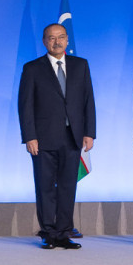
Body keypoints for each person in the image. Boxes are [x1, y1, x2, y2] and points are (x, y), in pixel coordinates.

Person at [18, 23, 94, 250]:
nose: (57, 42)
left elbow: (88, 100)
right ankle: (48, 233)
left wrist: (89, 132)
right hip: (43, 139)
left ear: (67, 40)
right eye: (52, 38)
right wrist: (30, 136)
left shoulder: (81, 65)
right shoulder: (32, 68)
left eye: (61, 37)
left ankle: (63, 233)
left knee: (68, 187)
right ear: (44, 41)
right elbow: (25, 106)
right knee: (45, 187)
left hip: (73, 137)